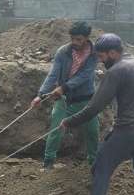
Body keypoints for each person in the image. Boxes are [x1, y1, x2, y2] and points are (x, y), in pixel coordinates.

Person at [61, 33, 134, 195]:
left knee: (102, 164)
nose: (100, 61)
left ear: (113, 53)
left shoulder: (116, 71)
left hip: (129, 129)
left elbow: (95, 107)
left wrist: (69, 122)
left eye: (102, 57)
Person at [30, 21, 100, 169]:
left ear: (87, 38)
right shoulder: (63, 52)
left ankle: (94, 162)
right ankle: (48, 163)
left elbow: (85, 75)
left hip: (85, 100)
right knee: (56, 130)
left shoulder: (94, 53)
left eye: (79, 39)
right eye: (73, 38)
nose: (75, 42)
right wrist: (41, 95)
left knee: (92, 132)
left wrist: (64, 87)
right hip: (64, 100)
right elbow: (53, 74)